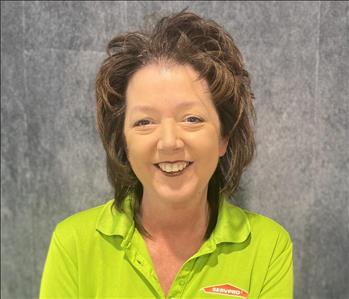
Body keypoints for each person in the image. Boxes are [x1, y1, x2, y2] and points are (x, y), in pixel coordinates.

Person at [39, 9, 293, 299]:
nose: (169, 142)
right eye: (145, 121)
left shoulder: (268, 245)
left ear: (224, 137)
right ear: (123, 142)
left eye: (192, 119)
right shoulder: (73, 243)